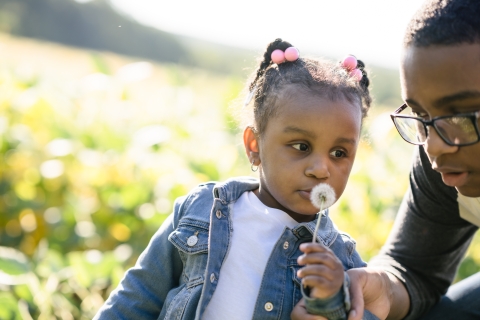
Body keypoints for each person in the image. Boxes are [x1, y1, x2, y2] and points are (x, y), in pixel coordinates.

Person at [93, 38, 373, 320]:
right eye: (301, 146)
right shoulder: (202, 210)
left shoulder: (341, 261)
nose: (321, 169)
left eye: (339, 153)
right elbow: (139, 295)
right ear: (254, 146)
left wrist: (333, 301)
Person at [291, 0, 480, 319]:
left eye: (461, 115)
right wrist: (380, 287)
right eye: (421, 115)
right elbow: (414, 269)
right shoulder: (445, 159)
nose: (434, 148)